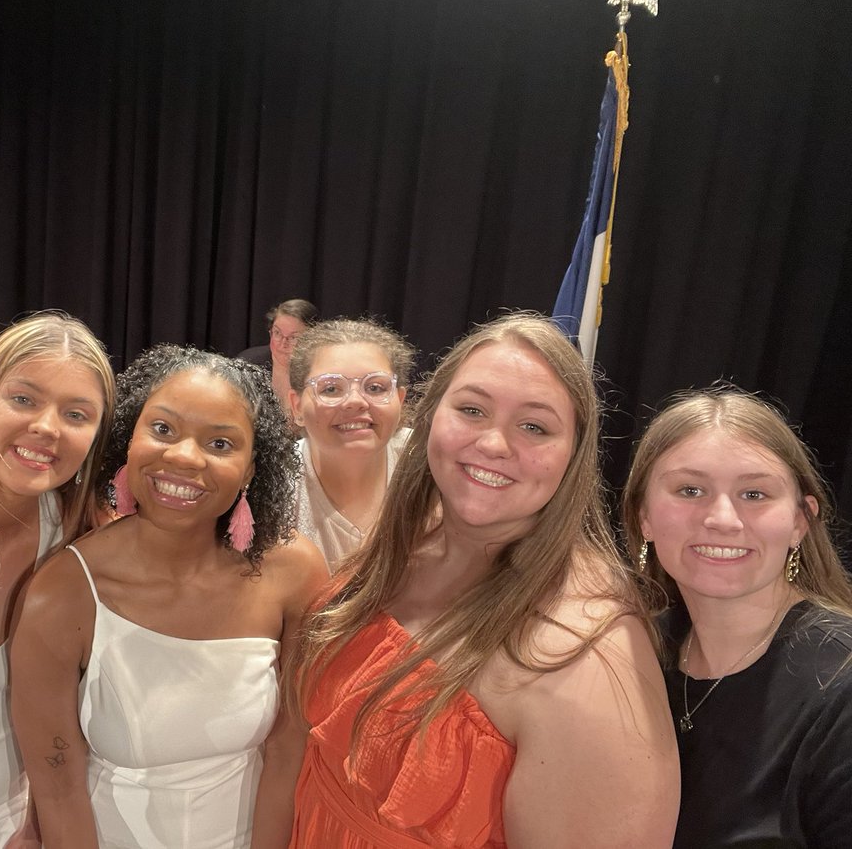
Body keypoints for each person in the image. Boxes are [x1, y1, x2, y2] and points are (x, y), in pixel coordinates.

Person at [274, 311, 679, 848]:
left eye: (534, 426)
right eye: (472, 410)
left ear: (574, 453)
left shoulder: (586, 655)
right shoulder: (403, 546)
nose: (493, 444)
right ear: (431, 415)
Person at [8, 346, 328, 849]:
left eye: (221, 442)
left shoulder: (293, 571)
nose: (183, 455)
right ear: (129, 441)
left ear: (250, 469)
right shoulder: (64, 591)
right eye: (162, 429)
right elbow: (57, 785)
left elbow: (290, 751)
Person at [621, 388, 852, 848]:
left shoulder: (842, 683)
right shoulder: (625, 652)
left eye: (754, 493)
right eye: (690, 490)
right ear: (643, 516)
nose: (722, 519)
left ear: (799, 522)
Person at [0, 312, 115, 848]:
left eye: (76, 414)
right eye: (23, 399)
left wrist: (41, 825)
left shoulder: (89, 542)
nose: (47, 427)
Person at [287, 319, 416, 571]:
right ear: (297, 406)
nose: (355, 401)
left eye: (375, 387)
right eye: (332, 388)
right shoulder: (273, 482)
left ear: (400, 400)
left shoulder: (431, 466)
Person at [239, 298, 319, 418]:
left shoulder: (320, 369)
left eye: (293, 338)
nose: (283, 343)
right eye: (277, 333)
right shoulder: (247, 364)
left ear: (311, 339)